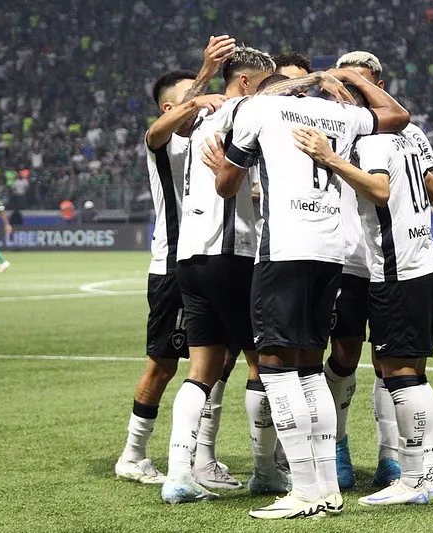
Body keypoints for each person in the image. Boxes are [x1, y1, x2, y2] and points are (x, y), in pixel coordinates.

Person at [212, 67, 410, 519]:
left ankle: (303, 488)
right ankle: (325, 489)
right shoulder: (335, 112)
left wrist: (223, 164)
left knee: (277, 367)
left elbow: (226, 185)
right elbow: (397, 115)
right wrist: (348, 79)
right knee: (308, 367)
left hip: (283, 250)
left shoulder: (257, 107)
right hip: (331, 251)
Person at [291, 92, 433, 506]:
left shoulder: (385, 137)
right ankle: (350, 450)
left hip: (393, 266)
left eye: (351, 89)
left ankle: (406, 466)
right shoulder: (346, 127)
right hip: (355, 261)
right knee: (361, 358)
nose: (340, 98)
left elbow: (400, 186)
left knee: (398, 370)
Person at [114, 35, 236, 491]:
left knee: (217, 361)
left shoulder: (206, 139)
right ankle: (132, 454)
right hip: (171, 267)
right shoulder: (162, 143)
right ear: (171, 109)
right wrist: (204, 75)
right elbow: (161, 127)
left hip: (207, 262)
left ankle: (202, 458)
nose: (202, 107)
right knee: (163, 365)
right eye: (192, 101)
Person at [161, 46, 277, 504]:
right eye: (266, 83)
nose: (271, 92)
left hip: (191, 257)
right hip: (232, 255)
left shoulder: (197, 120)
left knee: (201, 369)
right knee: (262, 362)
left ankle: (177, 476)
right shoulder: (244, 115)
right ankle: (266, 472)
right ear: (246, 83)